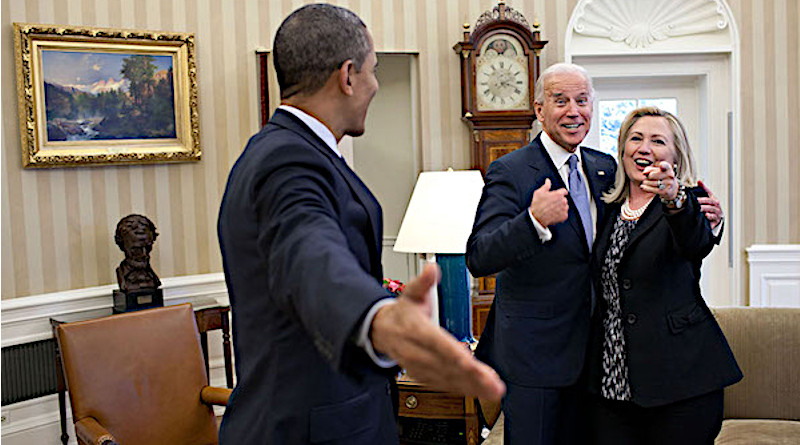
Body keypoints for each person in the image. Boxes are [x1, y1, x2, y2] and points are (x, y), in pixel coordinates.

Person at [217, 4, 504, 444]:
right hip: (309, 428)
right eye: (373, 71)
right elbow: (309, 251)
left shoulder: (281, 150)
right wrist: (376, 317)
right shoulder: (287, 161)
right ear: (347, 76)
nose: (375, 85)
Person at [466, 63, 724, 444]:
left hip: (596, 365)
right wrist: (533, 221)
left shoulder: (605, 169)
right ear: (539, 110)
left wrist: (711, 222)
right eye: (561, 100)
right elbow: (479, 255)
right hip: (535, 360)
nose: (574, 110)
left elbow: (666, 235)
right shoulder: (511, 170)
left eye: (582, 100)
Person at [584, 106, 742, 444]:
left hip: (681, 382)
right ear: (622, 148)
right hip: (611, 383)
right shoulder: (608, 207)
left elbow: (696, 243)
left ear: (675, 155)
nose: (644, 148)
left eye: (657, 141)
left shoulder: (689, 201)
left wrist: (674, 198)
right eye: (635, 138)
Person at [114, 214, 160, 293]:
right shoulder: (122, 274)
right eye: (136, 250)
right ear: (122, 246)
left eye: (148, 248)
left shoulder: (152, 277)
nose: (144, 254)